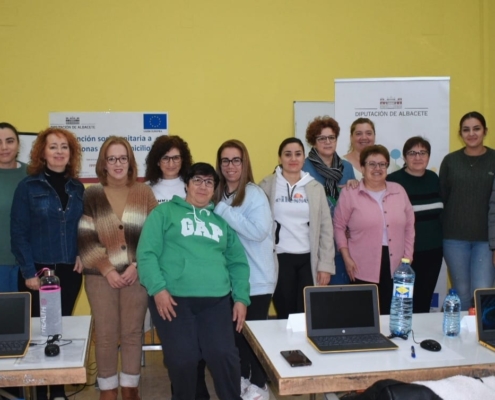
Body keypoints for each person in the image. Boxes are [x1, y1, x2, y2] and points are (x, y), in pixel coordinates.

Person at [137, 162, 250, 400]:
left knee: (224, 356)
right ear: (187, 184)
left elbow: (238, 262)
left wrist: (240, 298)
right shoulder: (164, 213)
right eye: (197, 180)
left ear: (214, 189)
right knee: (183, 360)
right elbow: (146, 254)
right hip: (174, 300)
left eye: (209, 182)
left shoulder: (220, 223)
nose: (203, 186)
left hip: (217, 301)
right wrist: (158, 290)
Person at [78, 136, 157, 400]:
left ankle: (130, 389)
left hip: (137, 274)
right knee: (106, 334)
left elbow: (154, 234)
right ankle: (108, 390)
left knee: (133, 333)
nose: (118, 163)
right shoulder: (92, 194)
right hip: (101, 277)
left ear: (130, 161)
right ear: (103, 163)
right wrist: (107, 269)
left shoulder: (143, 192)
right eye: (111, 158)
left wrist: (137, 264)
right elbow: (86, 236)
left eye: (123, 158)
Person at [11, 127, 84, 400]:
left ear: (71, 153)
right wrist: (29, 272)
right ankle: (41, 392)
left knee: (60, 331)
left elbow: (83, 227)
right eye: (53, 146)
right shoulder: (27, 187)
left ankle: (58, 390)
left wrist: (81, 253)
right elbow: (18, 232)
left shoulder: (77, 187)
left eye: (64, 146)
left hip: (69, 270)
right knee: (41, 334)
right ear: (42, 152)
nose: (59, 152)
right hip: (38, 271)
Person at [214, 140, 276, 400]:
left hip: (257, 279)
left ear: (244, 162)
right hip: (230, 281)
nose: (230, 166)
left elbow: (259, 231)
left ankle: (260, 385)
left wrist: (223, 211)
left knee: (254, 337)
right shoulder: (219, 195)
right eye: (225, 161)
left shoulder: (253, 193)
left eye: (236, 160)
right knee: (235, 338)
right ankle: (242, 381)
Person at [333, 145, 415, 315]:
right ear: (362, 168)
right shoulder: (351, 193)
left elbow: (409, 226)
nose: (377, 169)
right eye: (372, 164)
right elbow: (339, 226)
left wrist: (408, 257)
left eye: (382, 164)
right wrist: (346, 258)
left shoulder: (399, 191)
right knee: (364, 314)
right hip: (360, 264)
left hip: (395, 265)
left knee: (390, 313)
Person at [259, 138, 334, 319]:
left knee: (307, 316)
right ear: (279, 158)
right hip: (280, 260)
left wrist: (325, 265)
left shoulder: (315, 187)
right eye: (287, 154)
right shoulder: (266, 185)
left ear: (303, 158)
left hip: (309, 260)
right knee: (286, 315)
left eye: (298, 154)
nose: (293, 158)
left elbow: (326, 228)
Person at [440, 111, 495, 310]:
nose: (471, 134)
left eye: (476, 129)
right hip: (454, 240)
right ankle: (462, 339)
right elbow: (443, 199)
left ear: (485, 131)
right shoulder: (450, 161)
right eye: (466, 129)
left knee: (481, 293)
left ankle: (479, 340)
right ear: (460, 133)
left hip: (486, 242)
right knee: (462, 295)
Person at [387, 137, 443, 313]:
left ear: (428, 156)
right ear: (404, 157)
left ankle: (418, 338)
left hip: (433, 250)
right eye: (412, 153)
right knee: (401, 302)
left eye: (422, 152)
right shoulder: (393, 181)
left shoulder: (434, 178)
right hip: (404, 254)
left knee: (424, 299)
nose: (417, 157)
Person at [303, 116, 356, 284]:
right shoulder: (303, 168)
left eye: (331, 137)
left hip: (341, 243)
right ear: (313, 142)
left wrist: (355, 186)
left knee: (339, 297)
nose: (327, 142)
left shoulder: (346, 168)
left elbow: (353, 205)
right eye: (321, 138)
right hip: (313, 241)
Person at [0, 122, 27, 292]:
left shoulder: (33, 175)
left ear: (18, 144)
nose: (4, 147)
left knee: (29, 317)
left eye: (9, 141)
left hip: (28, 266)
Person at [144, 135, 193, 204]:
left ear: (183, 160)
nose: (171, 164)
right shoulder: (145, 189)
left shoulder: (193, 186)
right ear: (157, 161)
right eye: (165, 158)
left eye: (176, 158)